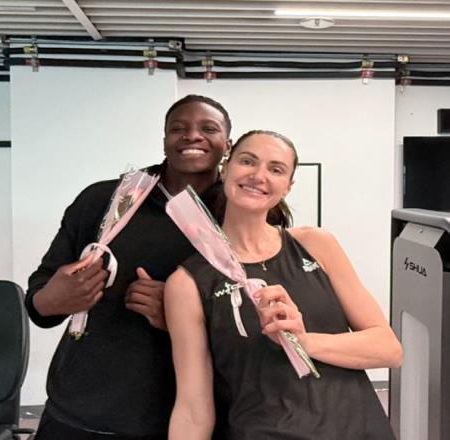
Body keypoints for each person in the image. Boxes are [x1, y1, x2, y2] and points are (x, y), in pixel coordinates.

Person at [165, 129, 403, 440]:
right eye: (247, 161)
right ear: (225, 169)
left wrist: (302, 342)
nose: (258, 176)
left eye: (276, 169)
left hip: (358, 430)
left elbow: (388, 349)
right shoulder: (187, 283)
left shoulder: (316, 245)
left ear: (288, 186)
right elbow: (193, 409)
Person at [25, 95, 233, 440]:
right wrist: (53, 298)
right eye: (178, 128)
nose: (192, 135)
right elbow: (39, 299)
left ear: (227, 144)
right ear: (164, 140)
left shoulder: (239, 216)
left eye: (208, 129)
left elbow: (250, 324)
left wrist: (183, 317)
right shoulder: (106, 201)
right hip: (79, 411)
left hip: (182, 420)